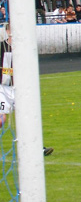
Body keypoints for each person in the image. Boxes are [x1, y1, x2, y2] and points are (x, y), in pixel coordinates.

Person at [0, 24, 53, 156]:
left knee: (26, 117)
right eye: (11, 29)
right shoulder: (1, 46)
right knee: (2, 119)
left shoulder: (23, 47)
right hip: (2, 88)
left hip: (19, 88)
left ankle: (37, 147)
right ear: (7, 31)